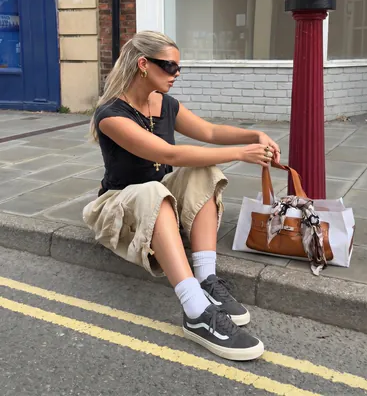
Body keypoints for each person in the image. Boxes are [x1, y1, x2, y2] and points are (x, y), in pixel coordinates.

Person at [83, 30, 280, 362]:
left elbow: (210, 131)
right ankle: (195, 311)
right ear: (143, 65)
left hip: (157, 197)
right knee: (154, 191)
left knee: (204, 171)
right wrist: (241, 153)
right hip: (120, 205)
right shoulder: (111, 115)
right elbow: (169, 154)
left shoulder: (165, 104)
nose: (177, 74)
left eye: (178, 67)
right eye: (170, 66)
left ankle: (206, 279)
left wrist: (254, 135)